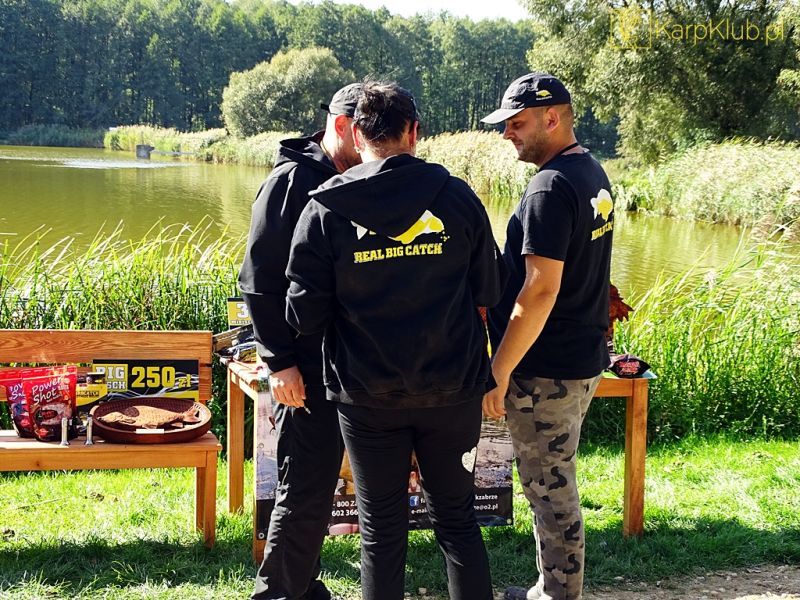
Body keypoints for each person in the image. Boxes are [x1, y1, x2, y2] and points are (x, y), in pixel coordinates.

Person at [285, 80, 503, 600]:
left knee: (381, 530)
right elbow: (490, 290)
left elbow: (302, 315)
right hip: (452, 389)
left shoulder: (325, 209)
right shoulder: (458, 197)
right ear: (414, 132)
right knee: (457, 521)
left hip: (366, 396)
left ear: (357, 135)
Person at [480, 72, 615, 600]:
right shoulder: (590, 172)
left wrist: (499, 369)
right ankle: (551, 588)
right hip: (578, 356)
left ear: (551, 118)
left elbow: (540, 289)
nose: (507, 134)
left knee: (549, 487)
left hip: (546, 369)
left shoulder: (550, 187)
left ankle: (558, 595)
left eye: (516, 123)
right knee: (552, 479)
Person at [239, 83, 362, 600]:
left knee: (318, 484)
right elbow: (257, 281)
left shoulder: (358, 177)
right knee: (306, 485)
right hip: (305, 368)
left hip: (348, 365)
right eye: (365, 133)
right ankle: (278, 594)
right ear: (340, 125)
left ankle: (303, 586)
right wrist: (279, 362)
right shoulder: (290, 181)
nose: (373, 143)